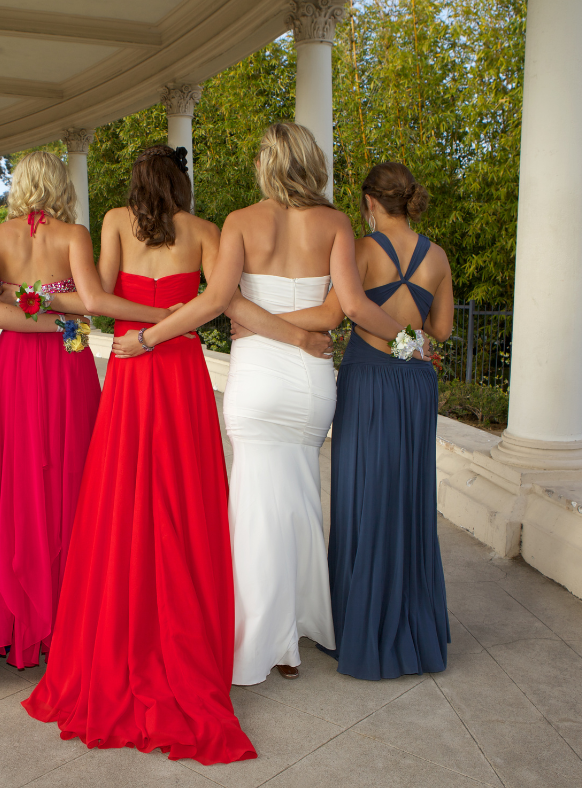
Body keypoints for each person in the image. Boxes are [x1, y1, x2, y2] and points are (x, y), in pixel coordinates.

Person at [125, 124, 407, 683]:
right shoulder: (336, 223)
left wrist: (149, 337)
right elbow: (342, 309)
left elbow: (218, 300)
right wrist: (399, 341)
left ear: (266, 165)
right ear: (310, 163)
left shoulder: (240, 222)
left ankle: (261, 639)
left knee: (255, 508)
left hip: (258, 377)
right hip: (309, 383)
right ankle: (300, 625)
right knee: (301, 497)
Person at [22, 145, 256, 765]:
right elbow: (214, 305)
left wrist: (54, 303)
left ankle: (122, 635)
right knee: (181, 499)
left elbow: (94, 298)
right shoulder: (206, 231)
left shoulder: (115, 224)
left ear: (135, 184)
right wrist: (164, 325)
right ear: (182, 182)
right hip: (176, 368)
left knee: (122, 500)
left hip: (131, 365)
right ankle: (182, 641)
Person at [0, 151, 181, 670]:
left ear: (19, 185)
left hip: (14, 358)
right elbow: (93, 301)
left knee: (20, 476)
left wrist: (22, 295)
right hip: (68, 351)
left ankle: (22, 618)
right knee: (74, 475)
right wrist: (164, 316)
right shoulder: (73, 235)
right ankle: (72, 614)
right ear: (60, 185)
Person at [319, 162, 454, 680]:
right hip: (415, 386)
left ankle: (361, 624)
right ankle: (411, 627)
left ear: (370, 202)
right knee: (409, 501)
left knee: (362, 497)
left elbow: (338, 312)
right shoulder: (437, 256)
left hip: (370, 380)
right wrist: (412, 336)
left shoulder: (361, 248)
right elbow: (439, 330)